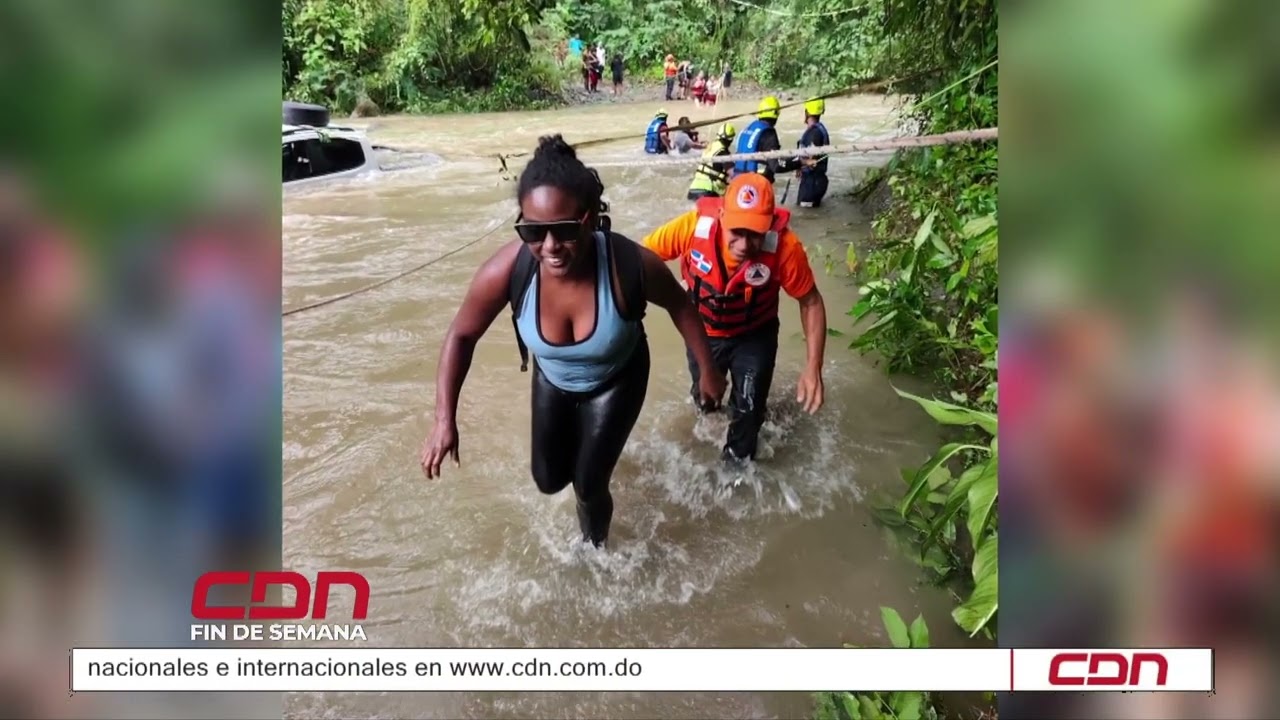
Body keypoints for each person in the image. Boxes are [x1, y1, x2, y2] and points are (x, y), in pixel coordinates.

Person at [420, 135, 726, 548]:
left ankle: (594, 551)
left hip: (617, 379)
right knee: (548, 481)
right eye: (533, 230)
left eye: (564, 230)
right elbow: (461, 334)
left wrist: (708, 371)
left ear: (590, 217)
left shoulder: (629, 265)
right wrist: (444, 420)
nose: (549, 247)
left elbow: (681, 306)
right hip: (553, 378)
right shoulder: (507, 271)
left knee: (588, 485)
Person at [642, 173, 828, 465]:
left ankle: (737, 467)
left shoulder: (785, 247)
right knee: (706, 400)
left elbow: (811, 301)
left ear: (769, 226)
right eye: (736, 232)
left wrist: (813, 366)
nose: (743, 244)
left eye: (754, 234)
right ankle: (710, 431)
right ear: (721, 216)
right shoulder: (691, 228)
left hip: (755, 335)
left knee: (750, 411)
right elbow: (640, 260)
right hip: (703, 333)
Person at [733, 96, 802, 184]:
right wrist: (800, 163)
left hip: (736, 182)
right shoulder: (768, 133)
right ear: (776, 114)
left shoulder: (748, 129)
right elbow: (776, 166)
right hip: (753, 185)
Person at [794, 97, 831, 207]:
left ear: (807, 112)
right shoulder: (818, 130)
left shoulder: (814, 133)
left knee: (805, 213)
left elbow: (811, 158)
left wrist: (797, 164)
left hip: (812, 182)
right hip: (815, 181)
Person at [686, 123, 736, 200]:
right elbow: (734, 174)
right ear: (730, 140)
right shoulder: (723, 153)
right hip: (707, 192)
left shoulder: (710, 148)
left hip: (692, 190)